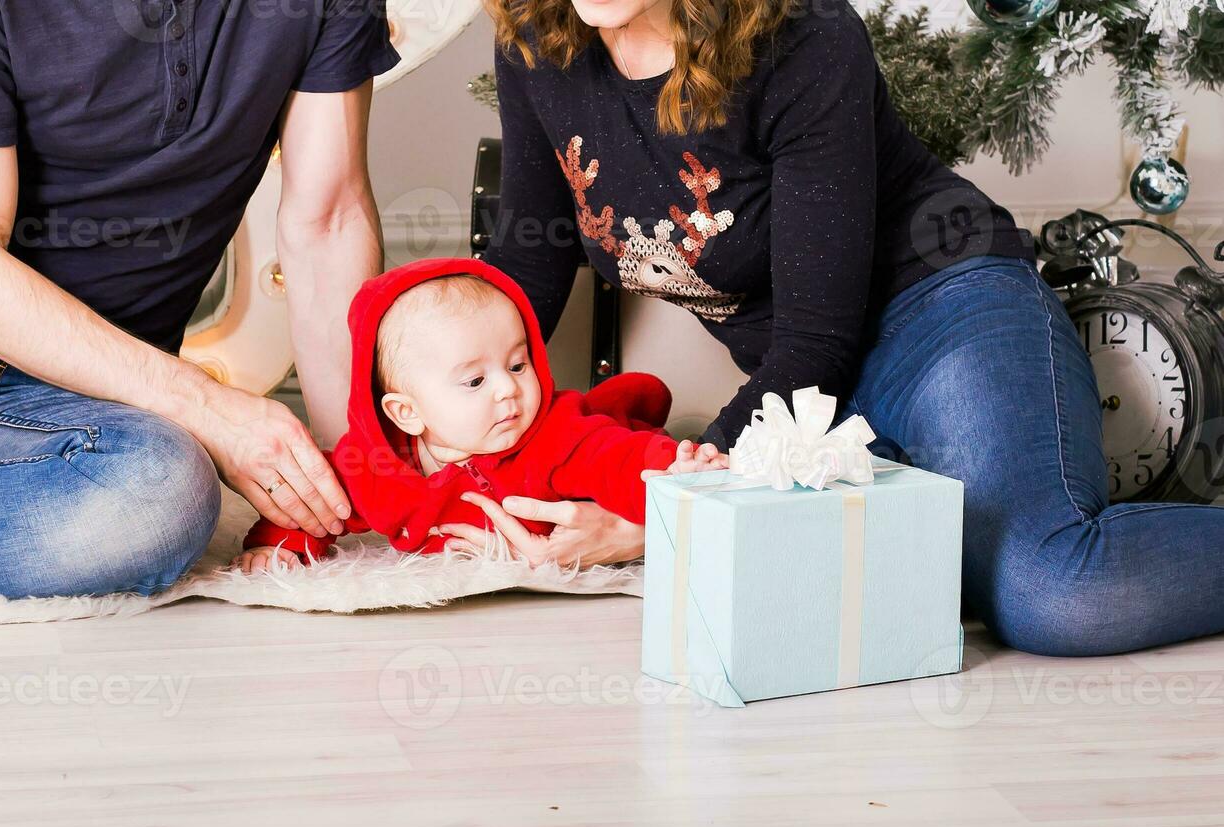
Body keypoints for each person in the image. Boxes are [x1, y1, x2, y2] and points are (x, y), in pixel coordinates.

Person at [476, 0, 1224, 657]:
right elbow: (525, 267)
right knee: (900, 585)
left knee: (1049, 589)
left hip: (944, 315)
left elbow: (813, 341)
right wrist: (432, 413)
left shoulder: (802, 35)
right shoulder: (538, 38)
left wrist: (656, 504)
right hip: (814, 404)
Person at [0, 0, 398, 608]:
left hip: (84, 389)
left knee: (155, 499)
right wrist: (211, 410)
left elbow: (329, 218)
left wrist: (361, 472)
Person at [236, 257, 725, 571]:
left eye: (518, 363)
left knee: (607, 429)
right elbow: (318, 499)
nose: (509, 389)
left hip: (592, 440)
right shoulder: (377, 467)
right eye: (474, 381)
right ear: (407, 412)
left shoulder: (552, 435)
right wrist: (277, 544)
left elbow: (617, 458)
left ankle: (627, 407)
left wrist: (675, 474)